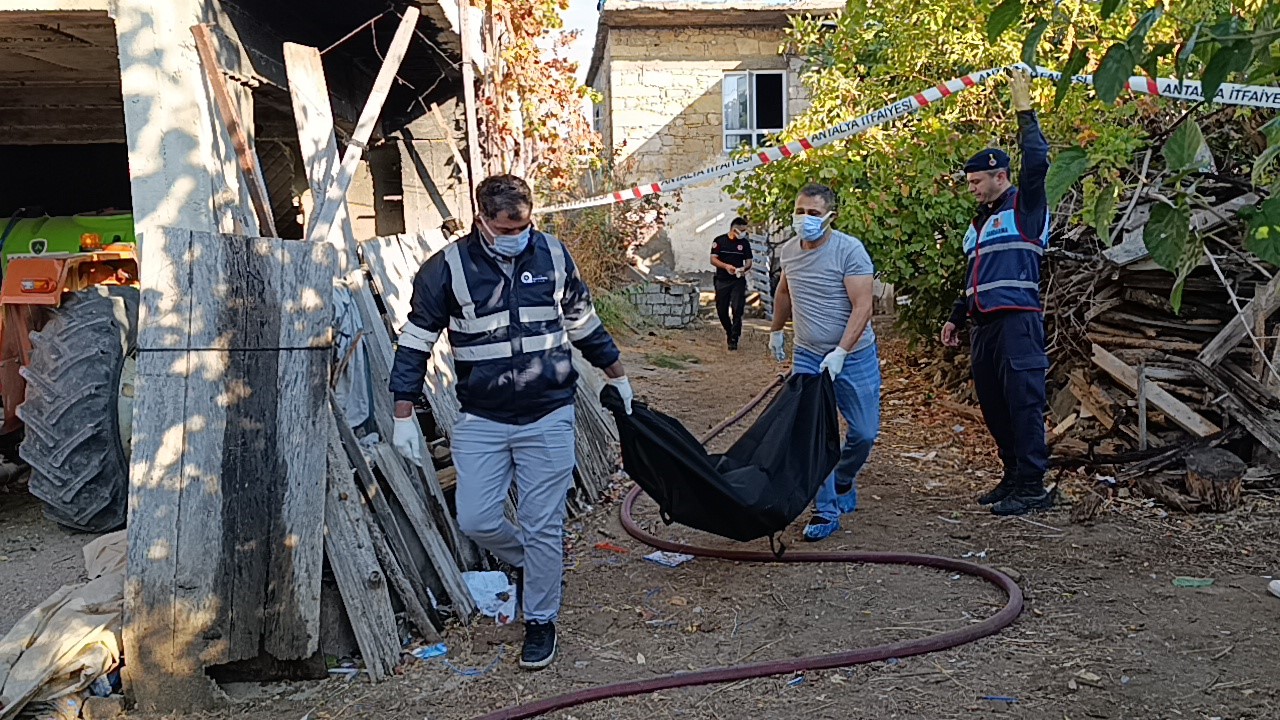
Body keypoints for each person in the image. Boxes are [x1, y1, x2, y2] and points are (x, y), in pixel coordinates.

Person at [388, 174, 634, 670]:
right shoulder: (447, 269)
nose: (514, 235)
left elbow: (583, 322)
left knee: (545, 524)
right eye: (504, 228)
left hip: (549, 413)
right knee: (476, 518)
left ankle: (540, 618)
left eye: (522, 225)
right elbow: (415, 340)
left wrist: (617, 374)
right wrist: (403, 411)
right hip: (483, 417)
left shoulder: (553, 256)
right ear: (481, 219)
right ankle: (531, 562)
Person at [940, 69, 1053, 517]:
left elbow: (1039, 160)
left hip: (1018, 321)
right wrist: (954, 315)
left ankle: (1033, 485)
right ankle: (1012, 475)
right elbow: (973, 278)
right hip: (983, 324)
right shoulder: (979, 224)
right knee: (992, 403)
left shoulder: (1024, 207)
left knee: (1024, 403)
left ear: (1000, 175)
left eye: (975, 182)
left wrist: (1024, 111)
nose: (971, 189)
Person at [768, 183, 880, 542]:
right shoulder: (789, 252)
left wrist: (842, 352)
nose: (804, 219)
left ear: (831, 216)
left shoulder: (849, 251)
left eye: (813, 214)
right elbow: (785, 290)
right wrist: (776, 330)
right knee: (814, 435)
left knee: (864, 433)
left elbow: (863, 306)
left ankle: (844, 478)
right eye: (800, 211)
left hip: (855, 355)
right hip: (808, 355)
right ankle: (825, 509)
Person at [710, 217, 753, 350]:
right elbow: (713, 259)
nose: (744, 233)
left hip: (737, 280)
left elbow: (749, 261)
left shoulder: (744, 244)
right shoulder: (719, 241)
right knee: (722, 310)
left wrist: (743, 269)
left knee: (737, 308)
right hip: (722, 280)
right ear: (734, 230)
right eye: (742, 230)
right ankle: (729, 331)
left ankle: (734, 337)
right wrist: (726, 266)